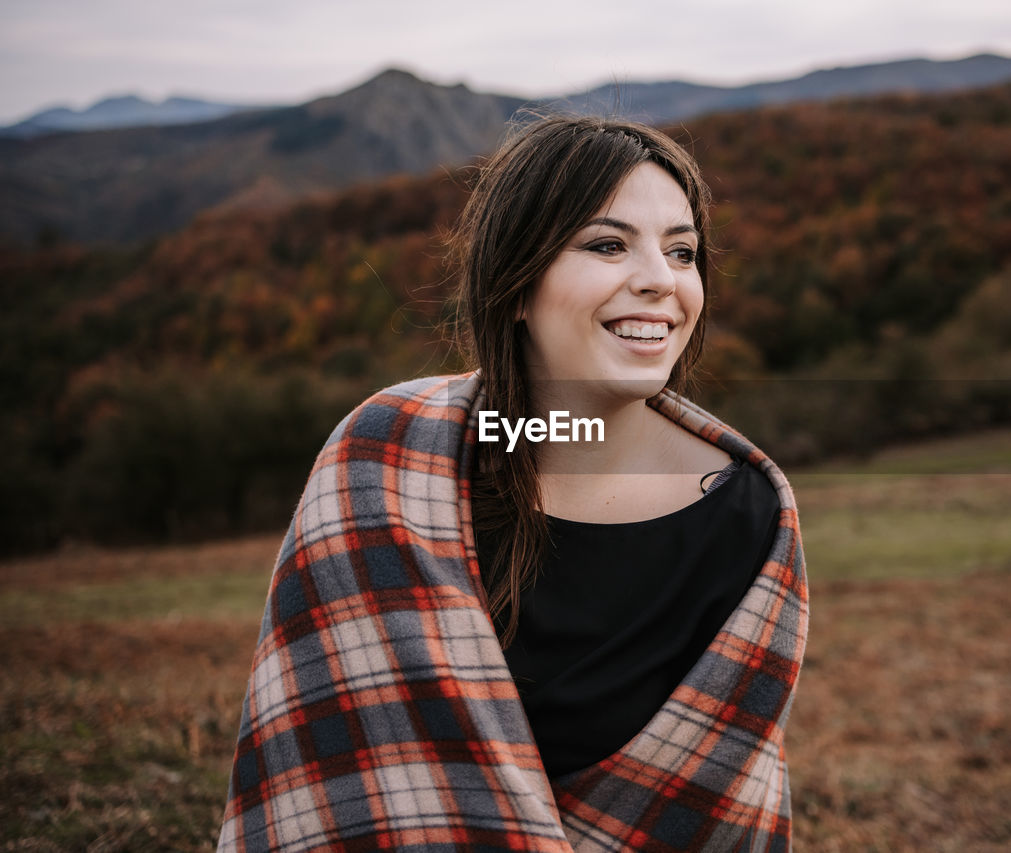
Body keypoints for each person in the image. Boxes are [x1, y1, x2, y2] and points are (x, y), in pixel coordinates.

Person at [218, 116, 808, 852]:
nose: (661, 278)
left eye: (682, 250)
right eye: (607, 244)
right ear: (517, 285)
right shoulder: (384, 463)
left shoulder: (740, 511)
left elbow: (718, 802)